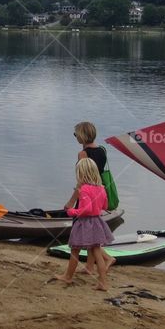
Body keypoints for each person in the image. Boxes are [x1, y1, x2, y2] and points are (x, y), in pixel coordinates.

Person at [54, 158, 115, 290]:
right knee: (97, 253)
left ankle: (68, 277)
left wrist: (71, 211)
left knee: (75, 249)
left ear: (81, 173)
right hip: (97, 222)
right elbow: (105, 206)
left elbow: (86, 210)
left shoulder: (84, 189)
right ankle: (102, 282)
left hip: (84, 223)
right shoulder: (102, 188)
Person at [66, 121, 110, 275]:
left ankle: (72, 273)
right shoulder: (102, 151)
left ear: (82, 135)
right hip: (98, 193)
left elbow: (81, 181)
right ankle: (90, 267)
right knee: (93, 232)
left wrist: (71, 202)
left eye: (76, 134)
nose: (75, 137)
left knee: (80, 233)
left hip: (85, 194)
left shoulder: (83, 154)